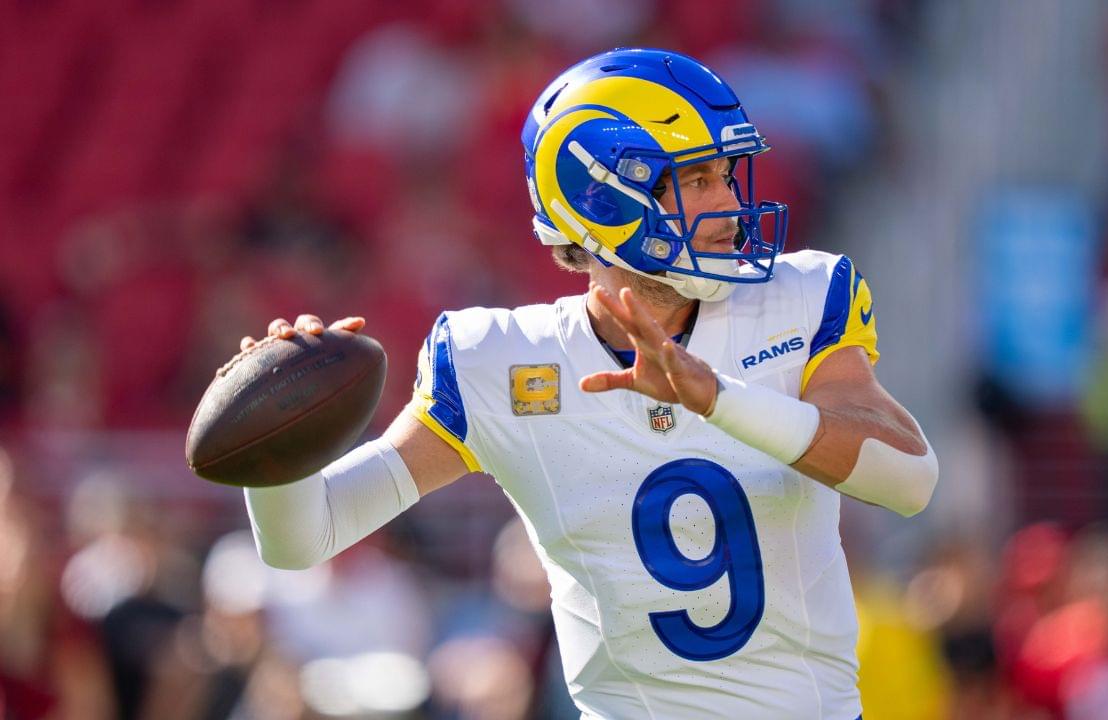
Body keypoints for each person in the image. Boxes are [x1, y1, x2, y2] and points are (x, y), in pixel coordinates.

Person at [238, 48, 938, 720]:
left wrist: (719, 401)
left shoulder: (801, 297)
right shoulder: (499, 360)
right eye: (698, 179)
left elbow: (909, 479)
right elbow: (306, 537)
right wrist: (272, 440)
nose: (729, 202)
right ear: (606, 199)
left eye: (727, 175)